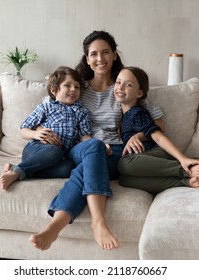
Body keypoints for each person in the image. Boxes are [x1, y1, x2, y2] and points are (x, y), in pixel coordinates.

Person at [29, 31, 164, 251]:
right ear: (87, 59)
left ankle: (55, 226)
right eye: (94, 54)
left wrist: (139, 135)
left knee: (84, 170)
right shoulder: (77, 88)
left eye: (105, 52)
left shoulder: (123, 86)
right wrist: (38, 130)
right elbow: (49, 108)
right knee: (93, 145)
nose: (100, 58)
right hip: (81, 148)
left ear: (113, 56)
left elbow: (157, 121)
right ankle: (98, 221)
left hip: (117, 152)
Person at [115, 66, 199, 194]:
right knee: (125, 180)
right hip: (143, 157)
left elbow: (158, 136)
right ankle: (185, 181)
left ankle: (186, 169)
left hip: (156, 152)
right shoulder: (122, 114)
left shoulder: (137, 113)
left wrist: (183, 159)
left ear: (139, 93)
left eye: (128, 85)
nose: (120, 87)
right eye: (118, 82)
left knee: (124, 163)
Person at [0, 66, 92, 190]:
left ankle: (17, 169)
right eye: (67, 85)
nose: (73, 89)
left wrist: (94, 145)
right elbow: (24, 130)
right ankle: (17, 171)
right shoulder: (46, 107)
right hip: (36, 149)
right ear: (54, 90)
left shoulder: (82, 112)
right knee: (54, 151)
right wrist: (35, 134)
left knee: (69, 168)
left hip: (58, 157)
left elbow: (85, 136)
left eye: (77, 87)